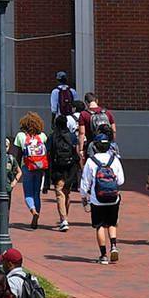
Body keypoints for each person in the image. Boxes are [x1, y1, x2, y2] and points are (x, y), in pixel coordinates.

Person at [80, 130, 124, 264]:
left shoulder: (91, 161)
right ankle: (114, 246)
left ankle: (103, 255)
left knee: (99, 226)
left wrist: (84, 197)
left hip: (97, 199)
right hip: (113, 198)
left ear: (95, 146)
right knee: (112, 223)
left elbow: (85, 182)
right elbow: (121, 180)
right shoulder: (114, 160)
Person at [12, 113, 49, 229]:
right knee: (36, 193)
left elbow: (18, 154)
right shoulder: (42, 135)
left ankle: (33, 211)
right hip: (40, 167)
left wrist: (15, 167)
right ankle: (37, 214)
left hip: (27, 167)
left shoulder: (20, 136)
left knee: (28, 194)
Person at [47, 113, 79, 234]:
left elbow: (48, 152)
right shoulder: (72, 136)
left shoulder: (52, 137)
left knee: (59, 193)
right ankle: (65, 216)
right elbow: (76, 152)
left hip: (58, 168)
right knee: (67, 192)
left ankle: (64, 219)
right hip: (70, 168)